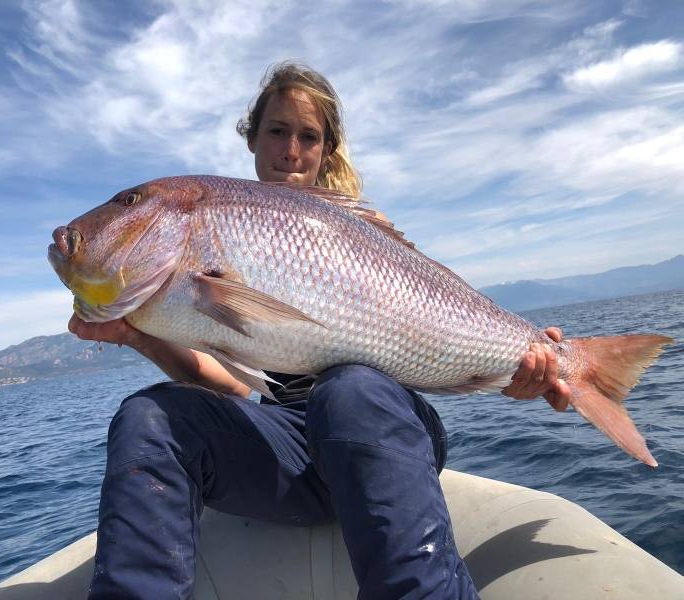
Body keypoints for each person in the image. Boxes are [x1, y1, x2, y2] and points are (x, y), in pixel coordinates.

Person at [70, 62, 571, 600]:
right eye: (277, 131)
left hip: (386, 441)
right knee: (146, 415)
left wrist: (521, 366)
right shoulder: (222, 237)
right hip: (292, 454)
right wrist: (139, 336)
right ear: (254, 141)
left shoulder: (356, 237)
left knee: (349, 390)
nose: (291, 149)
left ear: (326, 150)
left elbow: (444, 331)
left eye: (308, 136)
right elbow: (241, 387)